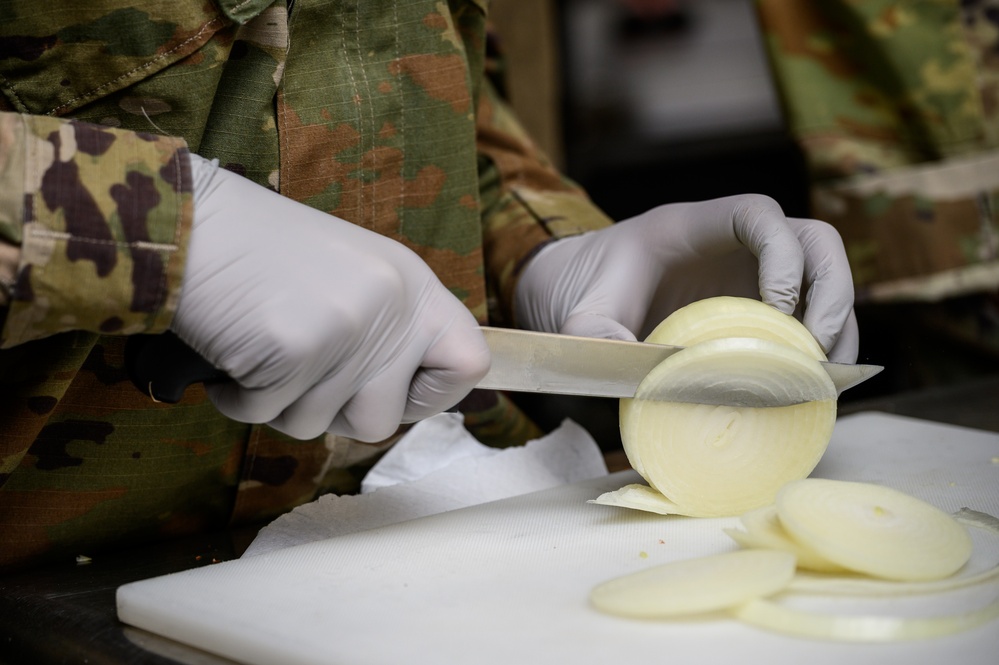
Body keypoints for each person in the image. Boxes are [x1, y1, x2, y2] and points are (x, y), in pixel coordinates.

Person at [0, 1, 857, 571]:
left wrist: (553, 248)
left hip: (406, 545)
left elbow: (440, 103)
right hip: (56, 582)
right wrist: (153, 228)